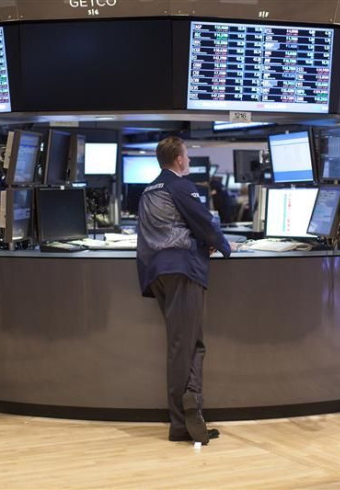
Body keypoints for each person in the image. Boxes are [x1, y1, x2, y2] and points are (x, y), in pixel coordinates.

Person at [136, 136, 232, 444]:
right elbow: (204, 223)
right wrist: (226, 247)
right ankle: (180, 422)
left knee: (193, 344)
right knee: (183, 347)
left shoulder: (148, 190)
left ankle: (193, 410)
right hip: (182, 271)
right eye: (187, 155)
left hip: (157, 273)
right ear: (178, 159)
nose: (188, 159)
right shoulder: (181, 186)